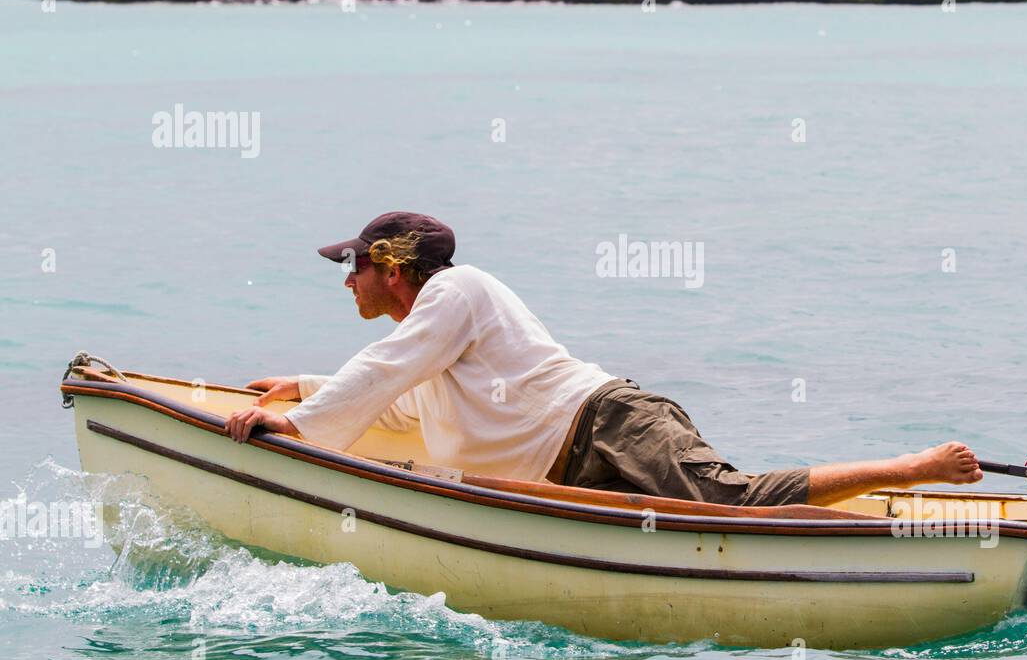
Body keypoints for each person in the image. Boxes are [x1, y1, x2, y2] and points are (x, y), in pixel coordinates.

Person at [224, 212, 983, 507]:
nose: (345, 279)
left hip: (607, 422)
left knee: (731, 501)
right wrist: (304, 389)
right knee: (718, 511)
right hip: (569, 466)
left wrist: (304, 426)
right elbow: (399, 397)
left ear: (392, 267)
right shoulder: (432, 341)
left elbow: (390, 368)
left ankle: (908, 467)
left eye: (351, 265)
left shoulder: (455, 290)